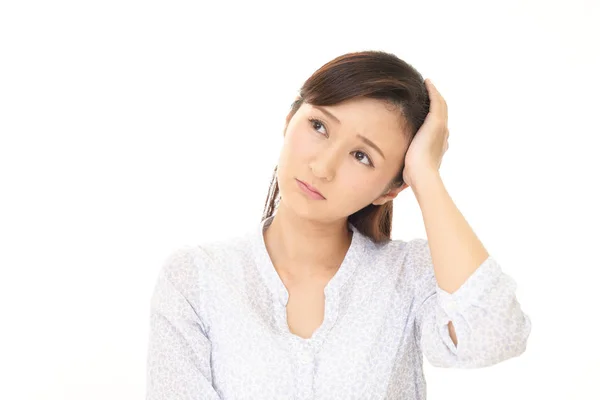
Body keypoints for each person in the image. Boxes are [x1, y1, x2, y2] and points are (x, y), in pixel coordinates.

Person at [145, 50, 532, 400]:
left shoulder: (409, 276)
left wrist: (425, 174)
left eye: (362, 156)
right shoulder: (196, 278)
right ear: (289, 120)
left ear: (390, 189)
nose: (322, 167)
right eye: (318, 126)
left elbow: (493, 332)